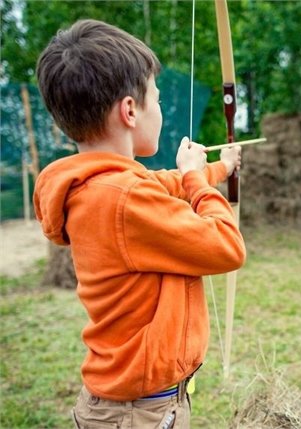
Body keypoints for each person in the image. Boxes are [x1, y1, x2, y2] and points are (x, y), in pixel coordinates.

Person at [33, 19, 246, 428]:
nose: (162, 110)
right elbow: (226, 247)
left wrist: (218, 168)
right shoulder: (124, 198)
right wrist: (197, 180)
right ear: (130, 110)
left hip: (128, 404)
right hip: (138, 414)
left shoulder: (99, 186)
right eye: (158, 100)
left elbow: (160, 184)